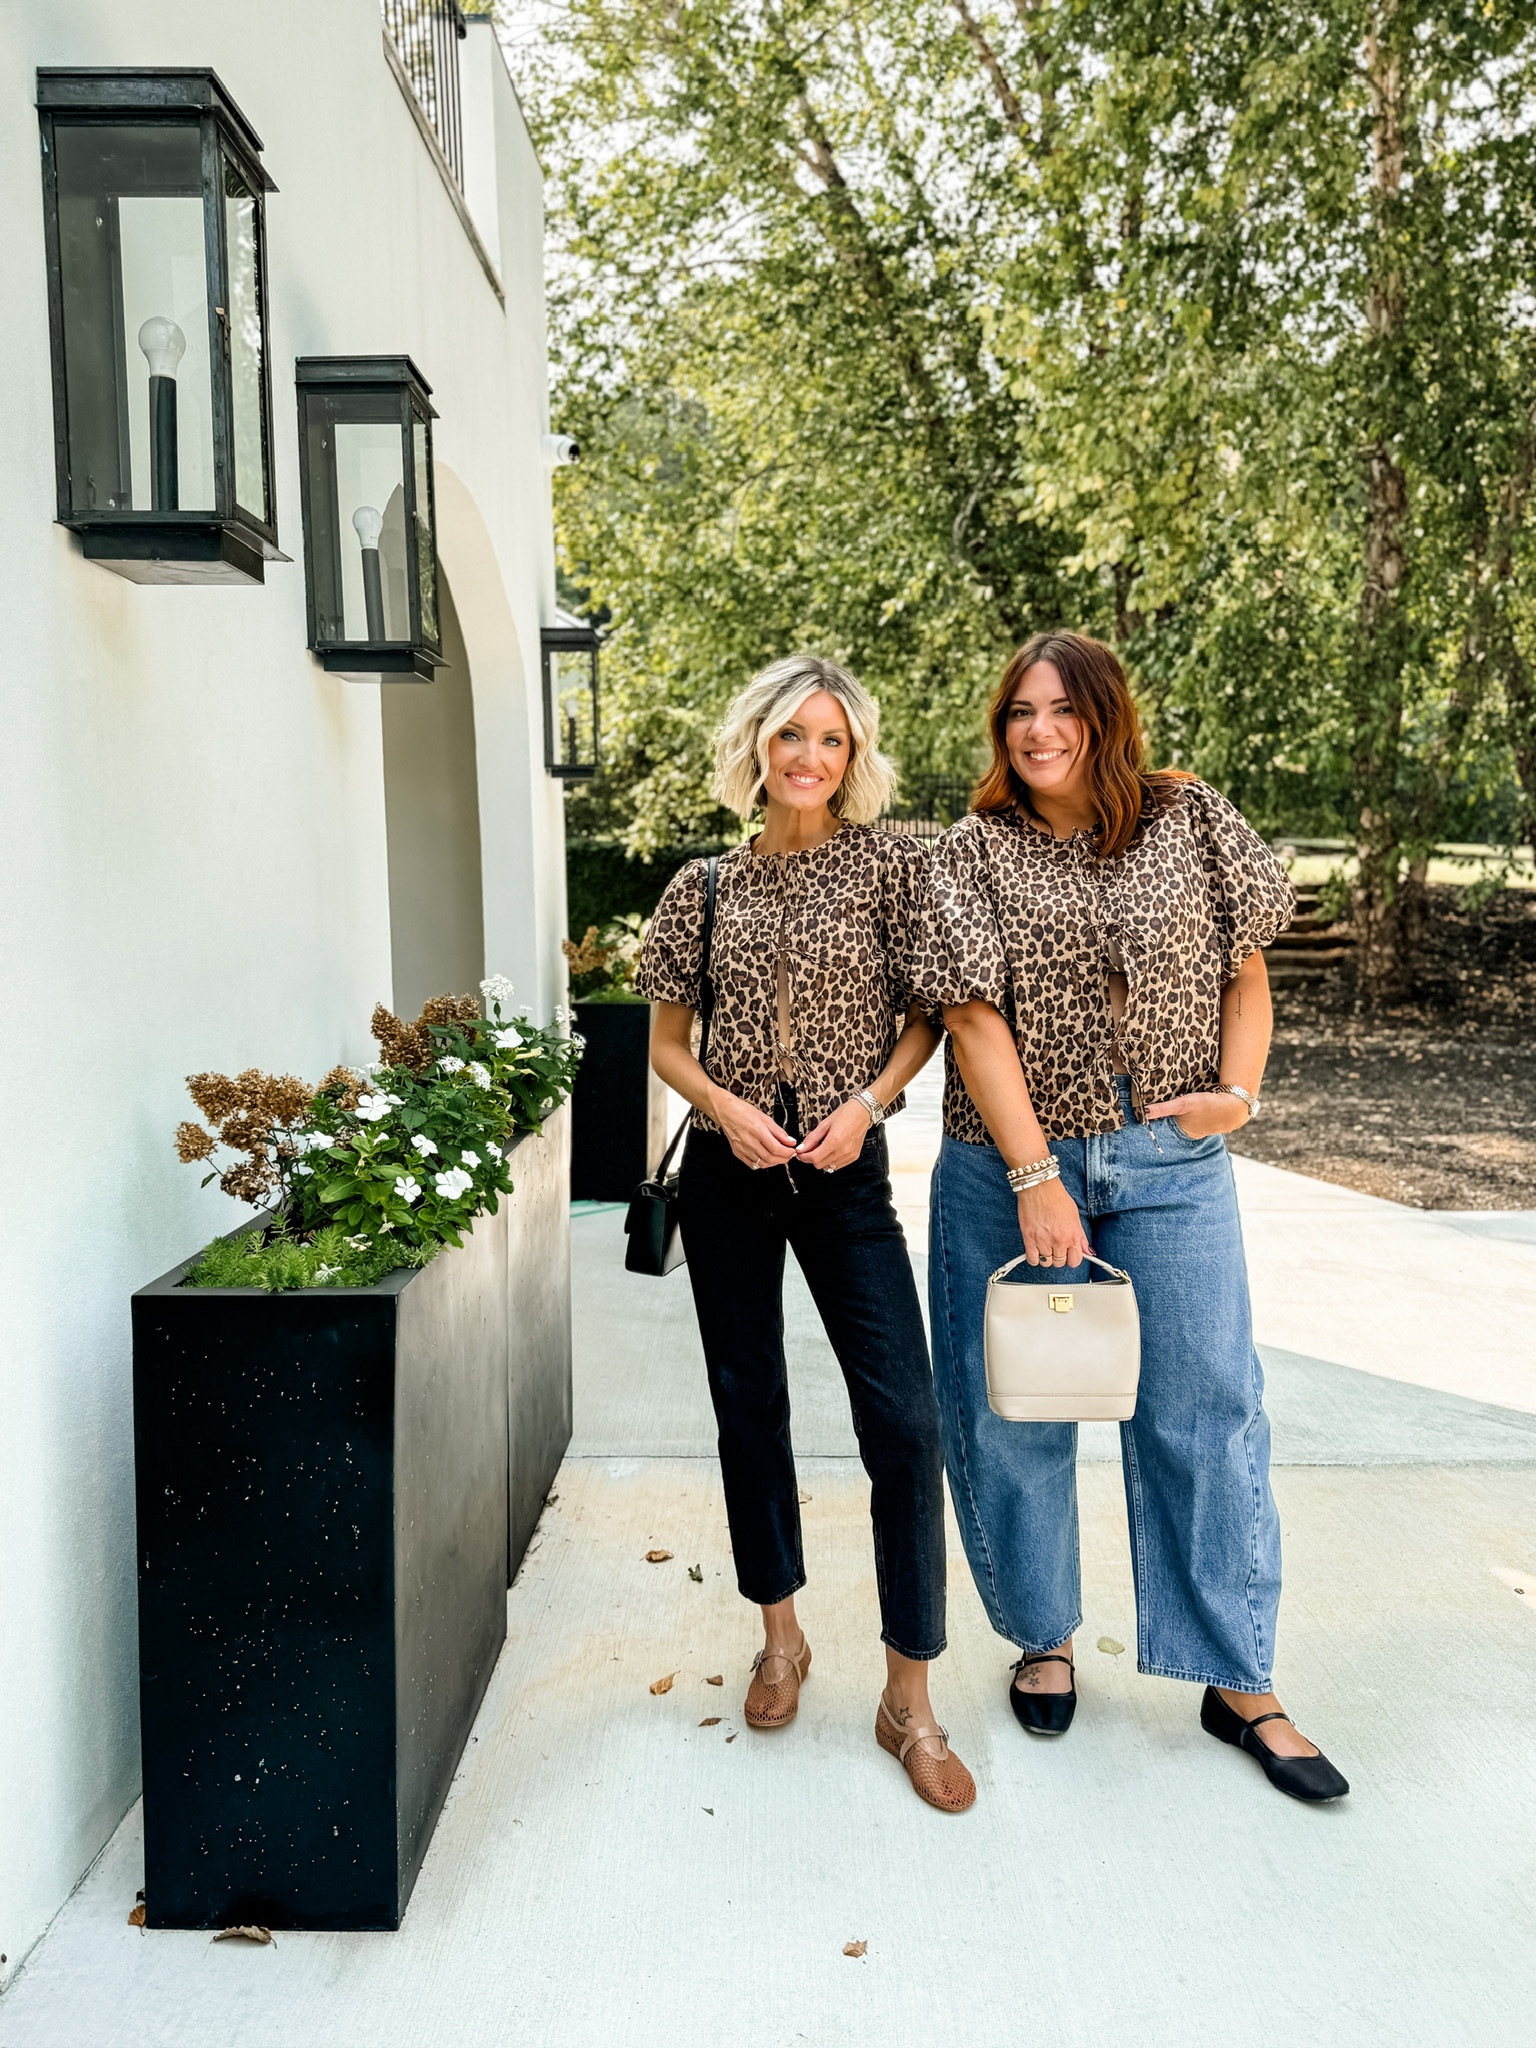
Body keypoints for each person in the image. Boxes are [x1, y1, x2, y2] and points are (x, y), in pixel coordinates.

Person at [917, 628, 1348, 1803]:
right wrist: (1035, 1177)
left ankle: (1238, 1676)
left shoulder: (1190, 814)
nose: (1039, 730)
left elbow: (1246, 967)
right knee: (1016, 1405)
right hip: (1008, 1159)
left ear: (1105, 717)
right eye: (1020, 711)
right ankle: (1044, 1634)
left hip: (1172, 1157)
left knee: (1210, 1406)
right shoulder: (971, 848)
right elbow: (970, 1016)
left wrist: (1238, 1095)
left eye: (1063, 709)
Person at [637, 653, 975, 1812]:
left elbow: (928, 1019)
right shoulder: (703, 886)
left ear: (853, 755)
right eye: (793, 735)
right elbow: (666, 1042)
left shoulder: (889, 866)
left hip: (843, 1172)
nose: (811, 757)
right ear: (760, 744)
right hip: (728, 1174)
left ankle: (909, 1697)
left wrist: (868, 1105)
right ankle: (780, 1635)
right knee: (750, 1406)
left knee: (906, 1425)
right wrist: (721, 1107)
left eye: (832, 740)